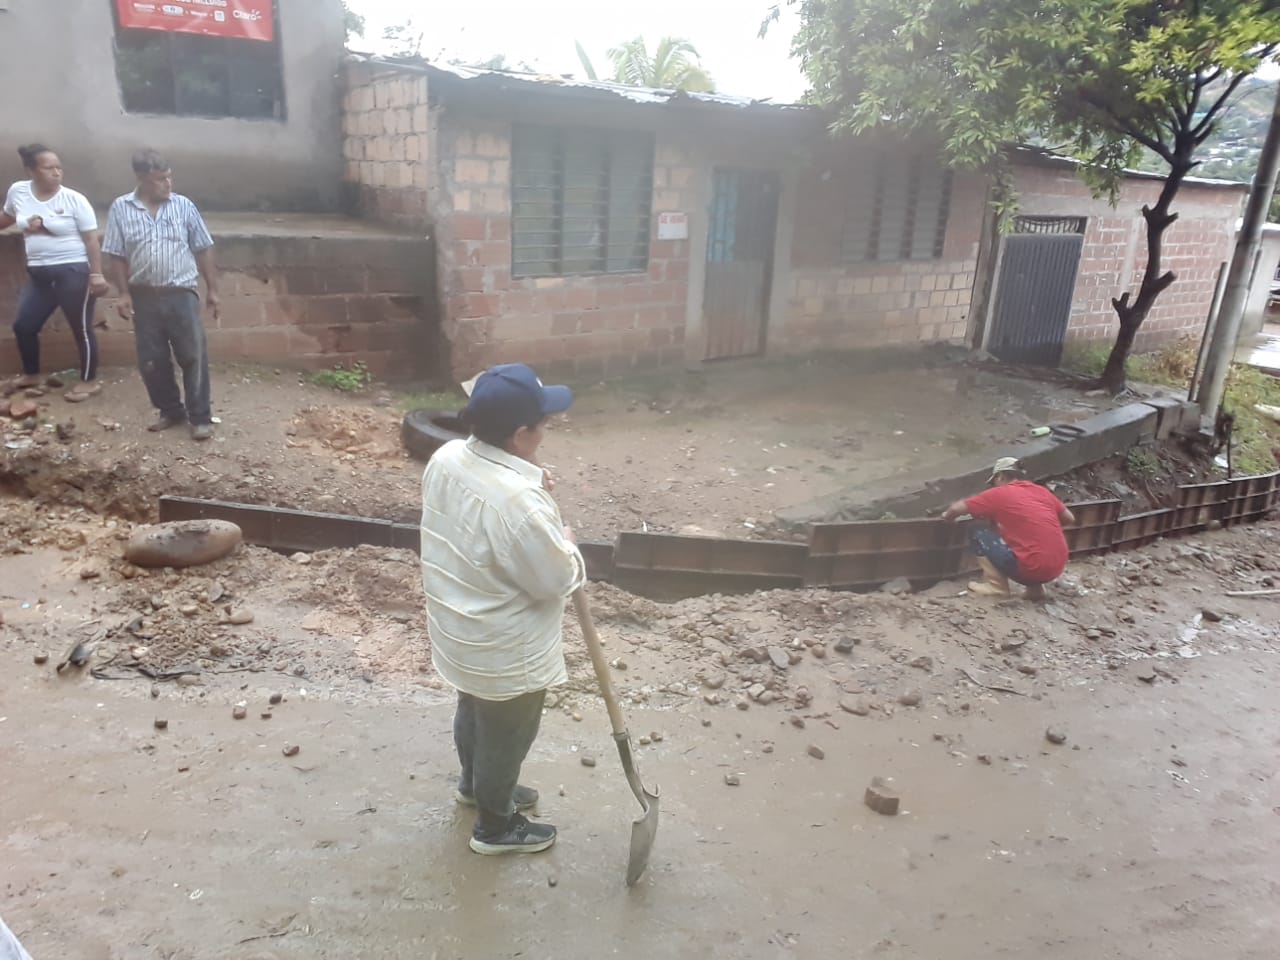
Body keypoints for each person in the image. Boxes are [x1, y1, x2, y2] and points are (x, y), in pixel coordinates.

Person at [419, 363, 586, 856]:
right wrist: (567, 542)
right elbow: (556, 579)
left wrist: (532, 494)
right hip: (504, 647)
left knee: (474, 710)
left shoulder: (448, 457)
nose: (547, 428)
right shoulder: (517, 504)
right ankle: (495, 826)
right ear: (520, 434)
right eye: (543, 422)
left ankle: (477, 787)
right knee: (508, 732)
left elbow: (485, 519)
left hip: (460, 627)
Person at [102, 149, 220, 441]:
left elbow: (203, 247)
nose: (167, 184)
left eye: (169, 177)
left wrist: (213, 290)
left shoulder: (183, 206)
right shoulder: (121, 208)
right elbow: (116, 254)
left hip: (181, 292)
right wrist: (123, 294)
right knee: (151, 359)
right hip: (143, 295)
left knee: (193, 354)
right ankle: (170, 410)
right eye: (159, 179)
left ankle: (200, 416)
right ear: (141, 179)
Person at [0, 144, 110, 402]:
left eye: (59, 167)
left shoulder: (74, 199)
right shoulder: (19, 192)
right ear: (31, 170)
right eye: (49, 168)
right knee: (24, 325)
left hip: (73, 272)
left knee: (81, 328)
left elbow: (92, 240)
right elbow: (7, 217)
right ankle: (31, 375)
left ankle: (89, 381)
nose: (57, 173)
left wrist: (96, 274)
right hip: (39, 275)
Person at [942, 456, 1076, 600]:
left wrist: (947, 517)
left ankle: (996, 586)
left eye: (994, 482)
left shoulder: (999, 493)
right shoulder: (1042, 492)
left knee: (977, 529)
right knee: (1025, 541)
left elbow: (956, 509)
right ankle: (1035, 589)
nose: (994, 486)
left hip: (1031, 568)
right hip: (1056, 567)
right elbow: (1070, 519)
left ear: (1000, 476)